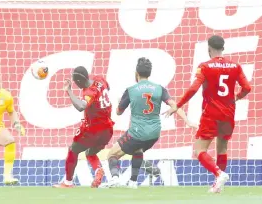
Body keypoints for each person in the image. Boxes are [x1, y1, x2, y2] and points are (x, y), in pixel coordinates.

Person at [164, 35, 252, 193]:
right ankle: (219, 185)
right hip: (229, 113)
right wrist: (236, 97)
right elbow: (247, 87)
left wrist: (178, 105)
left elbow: (193, 89)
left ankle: (219, 174)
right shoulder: (236, 66)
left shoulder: (205, 66)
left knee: (199, 150)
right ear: (223, 48)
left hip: (211, 113)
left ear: (209, 49)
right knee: (222, 148)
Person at [101, 57, 197, 188]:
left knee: (111, 154)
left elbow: (118, 112)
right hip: (154, 133)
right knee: (138, 149)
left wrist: (120, 102)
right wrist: (187, 121)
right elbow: (175, 105)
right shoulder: (159, 89)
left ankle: (115, 179)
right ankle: (133, 182)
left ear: (136, 73)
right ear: (149, 73)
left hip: (137, 132)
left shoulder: (131, 90)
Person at [53, 66, 114, 188]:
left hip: (93, 129)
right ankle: (98, 170)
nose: (76, 85)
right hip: (107, 129)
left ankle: (68, 183)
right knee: (90, 153)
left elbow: (81, 106)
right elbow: (108, 87)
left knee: (73, 149)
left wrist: (69, 91)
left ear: (79, 81)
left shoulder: (88, 92)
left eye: (75, 83)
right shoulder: (100, 79)